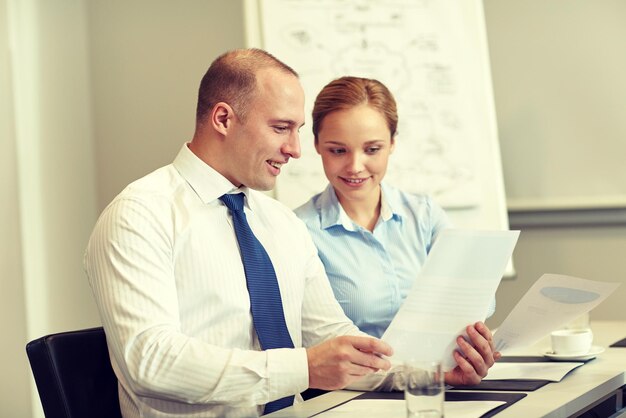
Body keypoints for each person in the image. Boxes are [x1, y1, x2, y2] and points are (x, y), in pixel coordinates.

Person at [85, 50, 495, 418]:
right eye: (282, 128)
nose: (296, 150)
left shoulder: (280, 223)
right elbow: (150, 361)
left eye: (298, 130)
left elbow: (334, 336)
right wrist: (304, 368)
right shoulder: (139, 214)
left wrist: (430, 372)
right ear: (224, 119)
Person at [295, 76, 500, 385]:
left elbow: (480, 298)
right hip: (351, 400)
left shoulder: (424, 215)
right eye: (338, 151)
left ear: (392, 143)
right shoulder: (298, 231)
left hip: (438, 384)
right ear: (317, 146)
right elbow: (317, 349)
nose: (355, 166)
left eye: (372, 149)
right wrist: (424, 375)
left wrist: (471, 342)